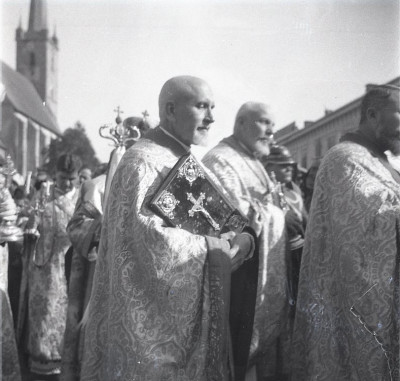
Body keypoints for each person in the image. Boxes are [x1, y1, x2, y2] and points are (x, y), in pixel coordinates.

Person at [80, 76, 255, 381]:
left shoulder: (179, 157)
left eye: (213, 107)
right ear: (171, 110)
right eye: (202, 106)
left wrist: (243, 238)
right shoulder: (142, 162)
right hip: (148, 335)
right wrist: (217, 249)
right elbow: (148, 245)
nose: (212, 117)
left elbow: (224, 220)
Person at [291, 84, 400, 380]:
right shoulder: (345, 157)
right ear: (374, 114)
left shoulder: (381, 161)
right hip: (353, 313)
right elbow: (365, 227)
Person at [203, 102, 290, 380]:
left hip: (259, 285)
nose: (271, 132)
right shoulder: (221, 159)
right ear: (240, 123)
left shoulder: (253, 160)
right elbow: (233, 221)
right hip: (239, 284)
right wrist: (277, 214)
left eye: (272, 126)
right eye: (264, 123)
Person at [18, 154, 81, 381]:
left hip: (70, 271)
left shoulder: (81, 200)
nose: (67, 184)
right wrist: (30, 226)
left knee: (66, 318)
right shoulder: (43, 197)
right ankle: (39, 365)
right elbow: (28, 225)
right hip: (42, 269)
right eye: (63, 178)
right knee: (43, 315)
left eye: (71, 179)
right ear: (56, 175)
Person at [262, 145, 307, 302]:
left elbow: (305, 222)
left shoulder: (294, 191)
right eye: (283, 165)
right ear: (269, 167)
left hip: (297, 252)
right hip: (275, 256)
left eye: (290, 165)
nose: (289, 169)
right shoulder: (263, 191)